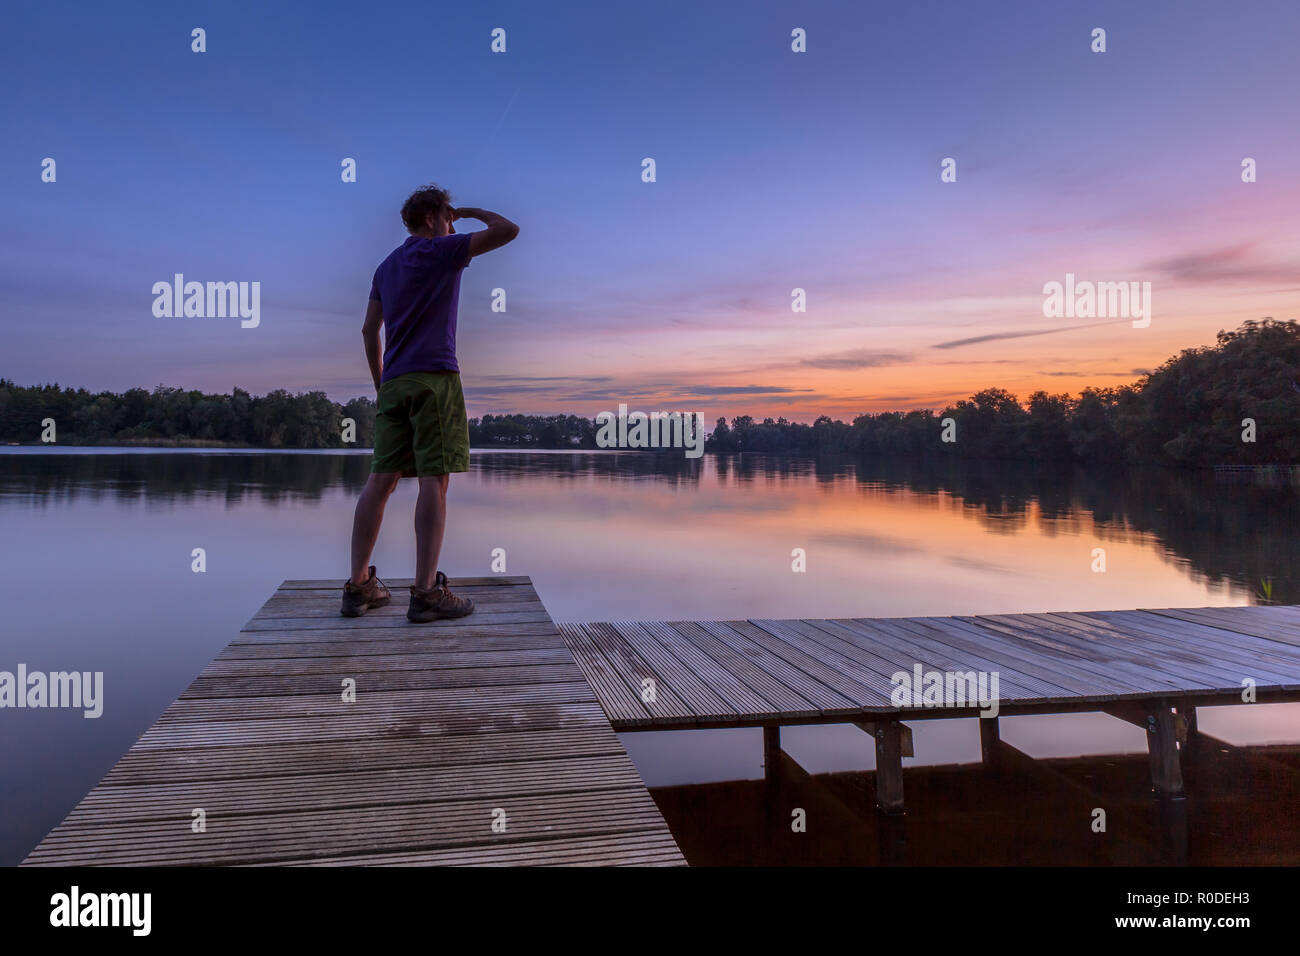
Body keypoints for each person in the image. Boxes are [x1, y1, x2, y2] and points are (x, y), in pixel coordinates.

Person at [341, 184, 519, 621]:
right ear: (431, 219)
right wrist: (473, 210)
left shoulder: (385, 267)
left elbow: (368, 331)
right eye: (448, 217)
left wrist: (380, 384)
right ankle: (424, 594)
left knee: (379, 481)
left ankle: (359, 587)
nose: (452, 224)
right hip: (435, 380)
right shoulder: (445, 251)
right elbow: (508, 229)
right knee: (433, 482)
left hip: (395, 383)